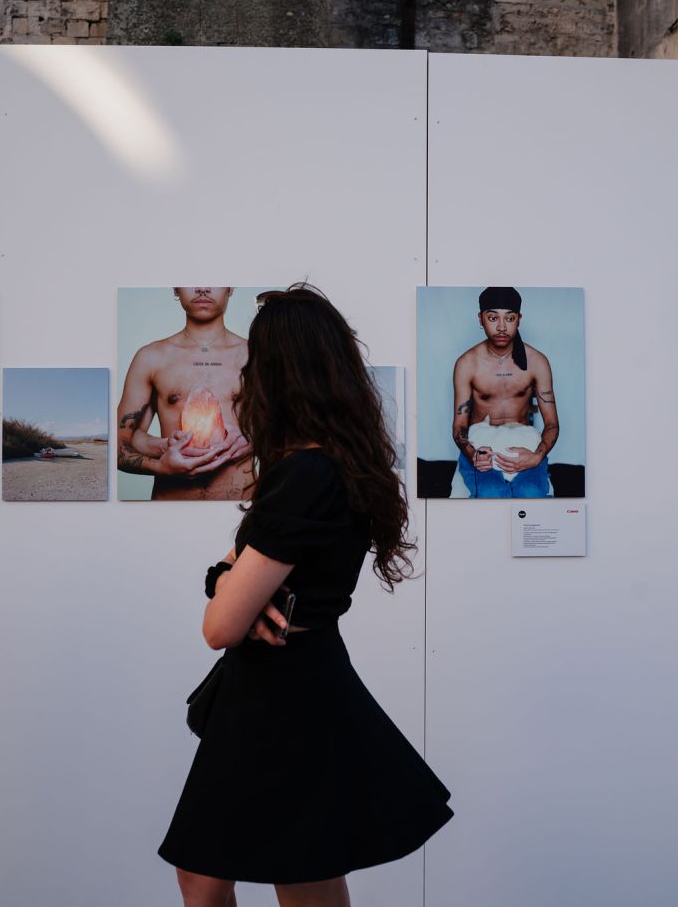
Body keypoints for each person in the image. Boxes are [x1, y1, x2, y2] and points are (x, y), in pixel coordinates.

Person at [158, 284, 454, 907]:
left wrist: (227, 585)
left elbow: (219, 627)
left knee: (287, 874)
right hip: (291, 686)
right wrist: (225, 582)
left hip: (280, 697)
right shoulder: (332, 465)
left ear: (279, 370)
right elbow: (233, 584)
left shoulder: (303, 474)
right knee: (251, 871)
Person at [117, 287, 254, 500]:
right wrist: (161, 456)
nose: (203, 288)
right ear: (175, 288)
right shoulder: (151, 357)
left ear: (231, 287)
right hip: (169, 512)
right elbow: (119, 443)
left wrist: (254, 438)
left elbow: (293, 436)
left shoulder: (257, 355)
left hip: (241, 511)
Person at [451, 286, 559, 498]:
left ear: (519, 319)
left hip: (525, 444)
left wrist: (537, 456)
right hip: (480, 444)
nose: (501, 327)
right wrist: (474, 455)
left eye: (509, 319)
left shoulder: (537, 362)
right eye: (493, 318)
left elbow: (552, 424)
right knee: (491, 493)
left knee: (531, 493)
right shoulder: (467, 363)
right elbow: (459, 425)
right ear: (481, 319)